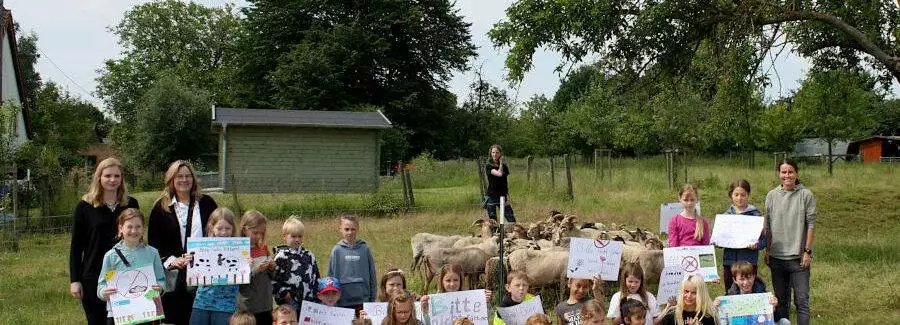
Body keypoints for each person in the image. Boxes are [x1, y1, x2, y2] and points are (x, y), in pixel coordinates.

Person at [69, 157, 140, 325]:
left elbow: (138, 236)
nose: (112, 180)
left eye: (117, 176)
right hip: (94, 275)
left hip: (126, 274)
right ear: (99, 177)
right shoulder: (85, 206)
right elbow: (76, 246)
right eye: (108, 175)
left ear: (122, 178)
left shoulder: (130, 204)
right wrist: (74, 280)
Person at [149, 160, 218, 325]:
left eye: (188, 176)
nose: (184, 180)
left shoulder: (207, 203)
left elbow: (220, 232)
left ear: (194, 179)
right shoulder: (160, 208)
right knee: (177, 317)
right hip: (175, 276)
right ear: (171, 179)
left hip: (204, 273)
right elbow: (154, 243)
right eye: (179, 176)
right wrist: (172, 260)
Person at [765, 158, 816, 325]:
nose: (787, 175)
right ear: (779, 174)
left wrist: (807, 252)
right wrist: (767, 251)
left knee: (801, 301)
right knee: (781, 302)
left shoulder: (805, 194)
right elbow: (768, 226)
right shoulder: (771, 195)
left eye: (790, 172)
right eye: (783, 172)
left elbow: (811, 224)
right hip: (777, 258)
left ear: (796, 173)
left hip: (798, 258)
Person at [97, 208, 166, 324]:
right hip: (118, 314)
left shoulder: (153, 253)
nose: (134, 231)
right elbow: (101, 285)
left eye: (138, 226)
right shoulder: (110, 256)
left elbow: (161, 280)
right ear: (120, 228)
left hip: (148, 311)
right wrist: (104, 292)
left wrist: (160, 288)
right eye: (129, 226)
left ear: (143, 228)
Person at [190, 208, 241, 325]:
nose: (223, 232)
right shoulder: (201, 247)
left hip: (225, 305)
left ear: (233, 229)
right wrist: (190, 260)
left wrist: (247, 265)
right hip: (202, 302)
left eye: (228, 228)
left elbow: (243, 277)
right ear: (211, 227)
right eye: (219, 228)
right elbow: (194, 272)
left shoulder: (239, 249)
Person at [719, 179, 765, 290]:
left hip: (748, 262)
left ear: (748, 195)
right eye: (736, 194)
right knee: (730, 291)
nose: (739, 198)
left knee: (748, 290)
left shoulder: (756, 216)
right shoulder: (725, 217)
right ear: (731, 196)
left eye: (743, 195)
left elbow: (763, 240)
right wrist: (718, 241)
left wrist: (757, 245)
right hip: (730, 262)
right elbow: (719, 240)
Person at [327, 213, 377, 311]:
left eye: (353, 229)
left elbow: (372, 274)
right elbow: (331, 276)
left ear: (357, 228)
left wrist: (372, 297)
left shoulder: (364, 248)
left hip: (363, 301)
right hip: (342, 302)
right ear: (340, 228)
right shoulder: (336, 250)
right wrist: (332, 299)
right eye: (346, 229)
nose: (350, 232)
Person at [272, 216, 320, 311]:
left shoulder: (309, 255)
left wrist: (317, 295)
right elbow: (273, 279)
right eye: (293, 236)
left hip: (309, 301)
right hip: (289, 302)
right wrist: (284, 294)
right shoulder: (281, 257)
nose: (297, 240)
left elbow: (316, 276)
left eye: (300, 236)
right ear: (285, 236)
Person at [238, 210, 275, 325]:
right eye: (255, 232)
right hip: (248, 305)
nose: (258, 236)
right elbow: (239, 280)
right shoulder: (238, 250)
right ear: (245, 229)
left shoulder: (264, 248)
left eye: (261, 233)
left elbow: (271, 277)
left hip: (266, 303)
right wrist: (255, 270)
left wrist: (272, 268)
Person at [484, 144, 515, 225]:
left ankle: (509, 235)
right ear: (490, 153)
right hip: (492, 196)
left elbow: (505, 181)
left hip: (502, 195)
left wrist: (507, 195)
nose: (495, 154)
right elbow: (499, 174)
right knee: (493, 222)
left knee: (511, 219)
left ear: (500, 154)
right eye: (493, 152)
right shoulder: (488, 166)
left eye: (497, 152)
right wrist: (501, 163)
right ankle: (495, 236)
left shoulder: (504, 167)